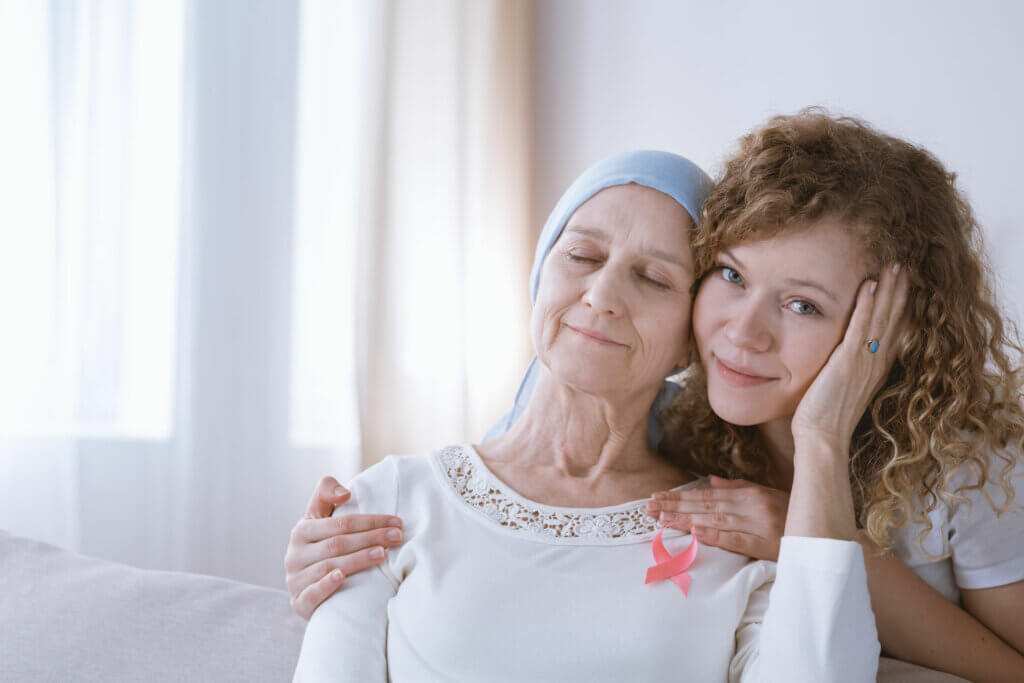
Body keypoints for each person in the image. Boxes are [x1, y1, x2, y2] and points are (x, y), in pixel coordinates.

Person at [286, 112, 1024, 682]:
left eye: (802, 305)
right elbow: (508, 507)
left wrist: (807, 494)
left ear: (886, 332)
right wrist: (322, 558)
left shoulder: (964, 463)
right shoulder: (682, 429)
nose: (743, 332)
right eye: (731, 277)